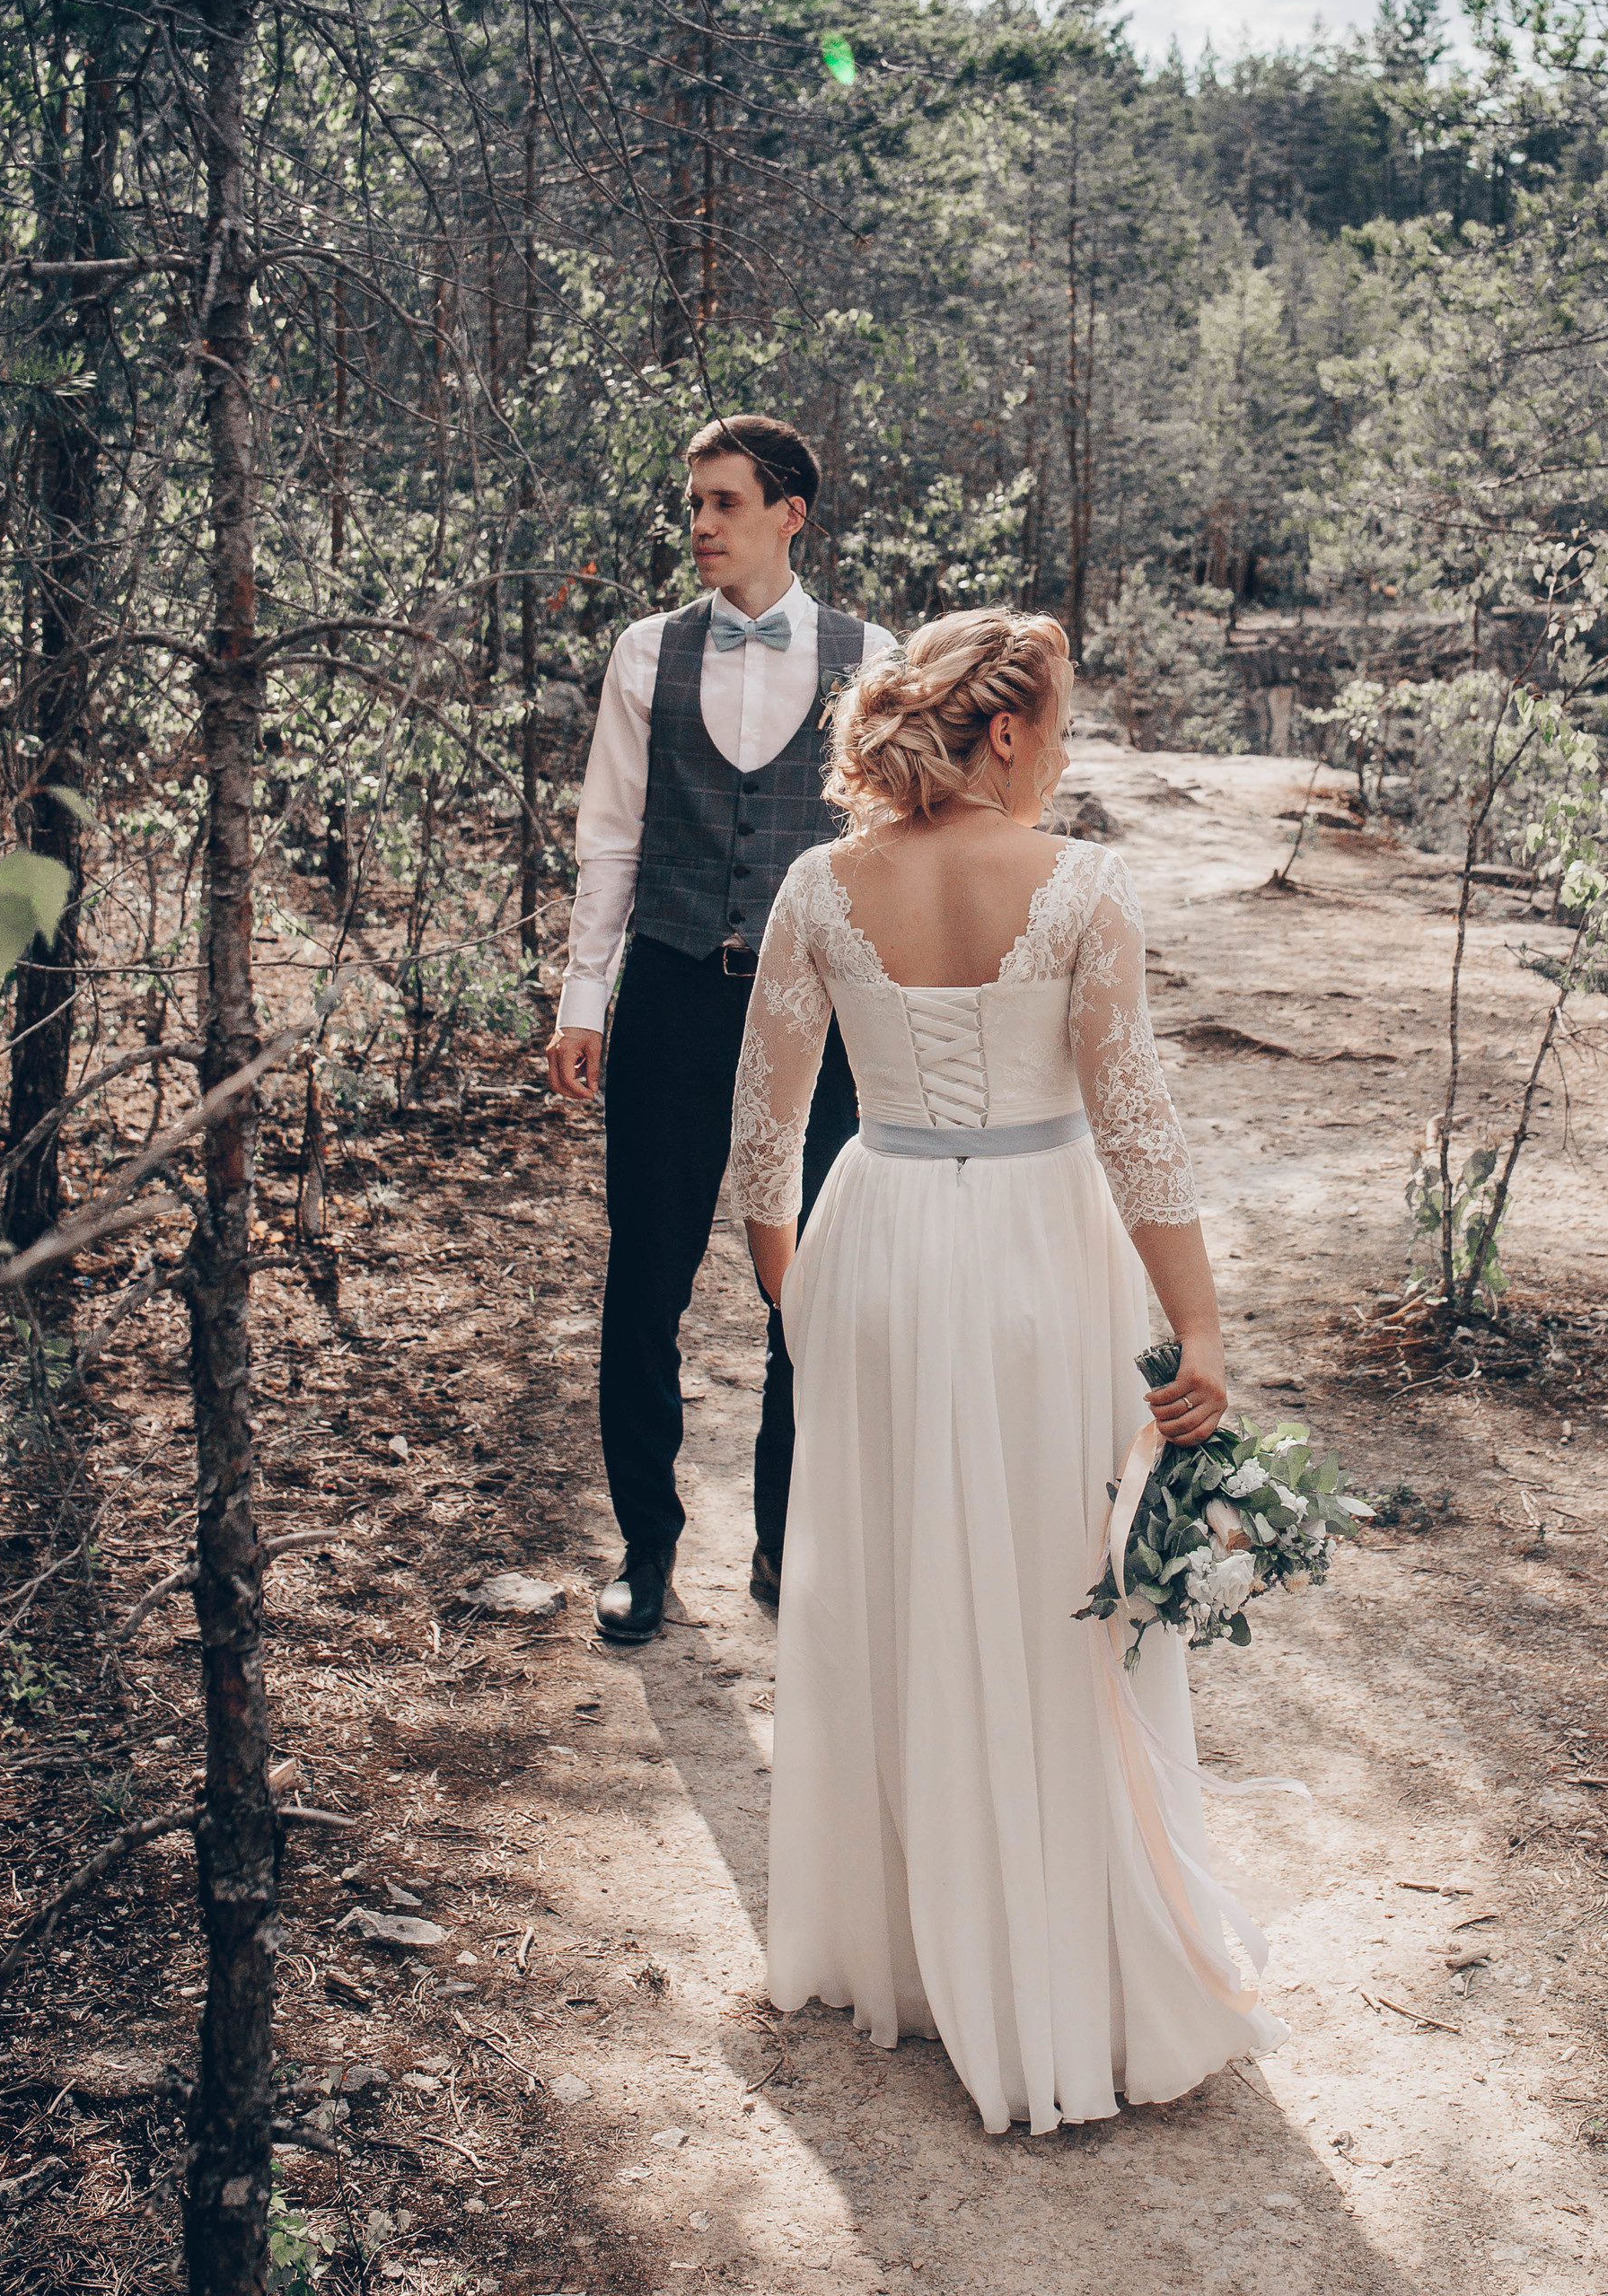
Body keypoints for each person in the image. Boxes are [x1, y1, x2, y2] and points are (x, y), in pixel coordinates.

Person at [730, 608, 1281, 2134]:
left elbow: (762, 1139)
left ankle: (901, 1945)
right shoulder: (1084, 886)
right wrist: (1204, 1334)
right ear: (1012, 737)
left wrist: (805, 1294)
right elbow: (1139, 1129)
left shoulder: (818, 887)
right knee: (1058, 1600)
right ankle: (1064, 1951)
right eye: (1060, 736)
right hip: (1048, 1253)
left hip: (881, 1246)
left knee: (901, 1580)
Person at [547, 415, 894, 1646]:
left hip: (823, 1015)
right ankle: (646, 1549)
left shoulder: (876, 657)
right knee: (645, 1281)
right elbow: (611, 840)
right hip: (676, 993)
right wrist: (584, 1000)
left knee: (812, 1282)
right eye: (693, 502)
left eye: (725, 502)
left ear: (789, 512)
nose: (700, 523)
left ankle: (784, 1541)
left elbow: (892, 855)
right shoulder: (646, 654)